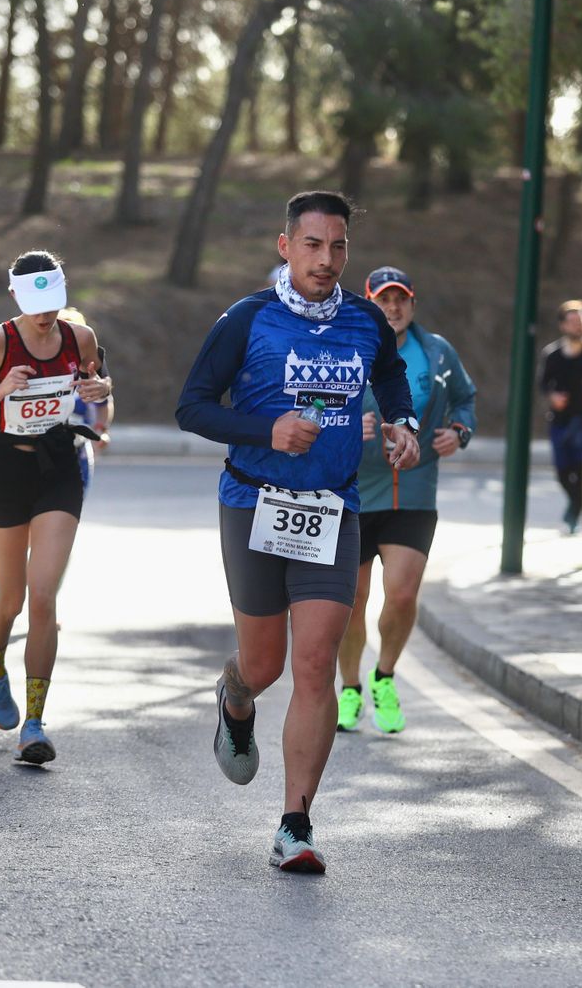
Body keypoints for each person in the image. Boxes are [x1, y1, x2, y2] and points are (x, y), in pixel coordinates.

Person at [176, 190, 419, 873]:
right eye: (312, 244)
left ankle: (295, 824)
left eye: (338, 246)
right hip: (254, 501)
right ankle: (234, 696)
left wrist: (401, 422)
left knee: (315, 662)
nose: (327, 259)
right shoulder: (248, 320)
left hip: (332, 510)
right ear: (285, 246)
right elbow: (191, 406)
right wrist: (266, 430)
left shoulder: (366, 321)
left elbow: (391, 376)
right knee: (265, 665)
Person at [0, 250, 111, 765]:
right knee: (11, 599)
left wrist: (101, 390)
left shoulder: (79, 337)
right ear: (16, 296)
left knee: (44, 599)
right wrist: (1, 388)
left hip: (58, 465)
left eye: (55, 302)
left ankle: (34, 724)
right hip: (5, 471)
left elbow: (101, 388)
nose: (47, 314)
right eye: (37, 303)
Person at [335, 267, 475, 736]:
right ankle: (350, 686)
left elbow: (465, 399)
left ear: (412, 305)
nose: (393, 309)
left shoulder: (436, 352)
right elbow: (316, 403)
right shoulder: (346, 345)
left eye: (401, 300)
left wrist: (459, 432)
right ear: (369, 303)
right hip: (354, 493)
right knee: (352, 603)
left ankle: (385, 676)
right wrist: (350, 427)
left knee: (402, 594)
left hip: (414, 492)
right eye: (383, 300)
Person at [538, 300, 582, 532]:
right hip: (559, 420)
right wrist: (553, 397)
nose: (579, 325)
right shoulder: (552, 355)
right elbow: (543, 384)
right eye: (573, 321)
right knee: (563, 471)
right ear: (563, 326)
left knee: (581, 470)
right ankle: (574, 505)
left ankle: (572, 515)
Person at [57, 307, 114, 490]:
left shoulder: (89, 370)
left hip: (78, 451)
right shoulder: (39, 368)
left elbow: (104, 402)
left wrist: (101, 429)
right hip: (40, 450)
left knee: (72, 508)